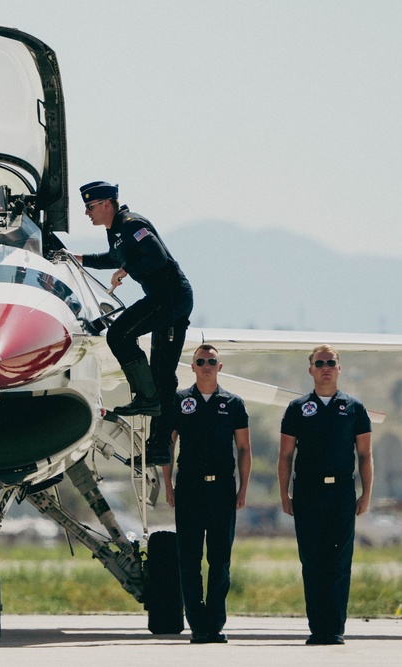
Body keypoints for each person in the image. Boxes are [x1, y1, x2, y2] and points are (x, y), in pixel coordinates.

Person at [71, 181, 193, 465]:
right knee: (163, 375)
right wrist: (78, 259)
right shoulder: (115, 232)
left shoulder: (131, 223)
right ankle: (159, 446)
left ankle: (146, 397)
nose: (87, 213)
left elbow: (155, 256)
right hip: (165, 301)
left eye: (90, 207)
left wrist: (125, 270)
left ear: (106, 204)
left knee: (118, 335)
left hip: (170, 299)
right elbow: (113, 257)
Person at [278, 345, 374, 646]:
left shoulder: (354, 408)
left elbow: (365, 455)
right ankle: (317, 628)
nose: (325, 368)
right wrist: (284, 493)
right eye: (319, 363)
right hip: (308, 491)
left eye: (330, 362)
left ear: (339, 368)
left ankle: (334, 628)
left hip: (341, 492)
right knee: (312, 561)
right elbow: (285, 456)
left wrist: (366, 493)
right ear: (310, 370)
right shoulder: (297, 409)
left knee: (339, 561)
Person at [162, 344, 251, 644]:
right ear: (192, 366)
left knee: (220, 558)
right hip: (188, 487)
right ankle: (197, 624)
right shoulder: (180, 401)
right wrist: (167, 483)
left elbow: (243, 448)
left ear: (220, 366)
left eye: (211, 361)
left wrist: (243, 489)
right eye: (200, 361)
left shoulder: (233, 403)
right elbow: (168, 444)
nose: (206, 365)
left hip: (222, 488)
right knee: (189, 558)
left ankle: (215, 623)